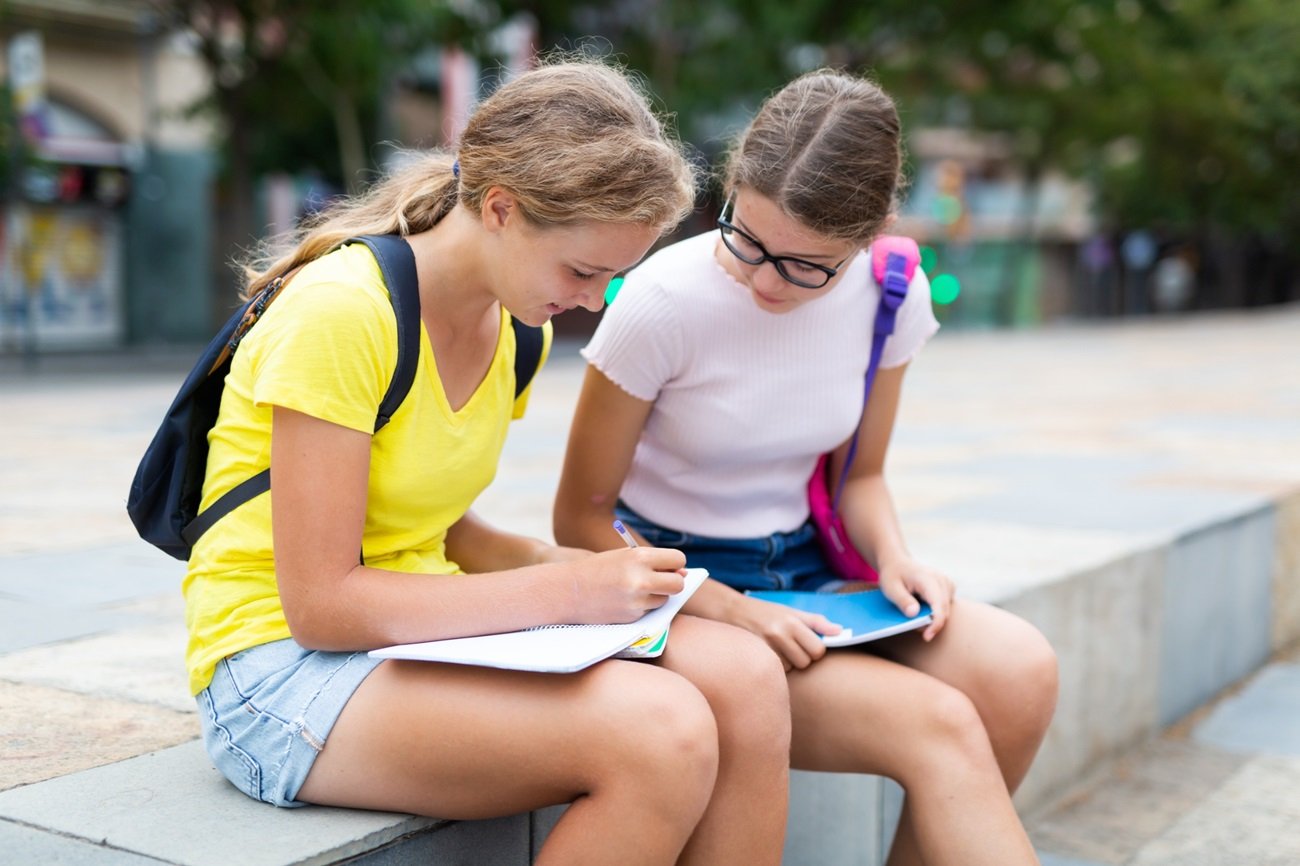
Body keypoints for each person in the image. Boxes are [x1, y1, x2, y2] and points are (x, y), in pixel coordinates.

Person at [185, 60, 792, 866]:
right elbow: (321, 607)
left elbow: (444, 529)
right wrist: (567, 592)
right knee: (663, 733)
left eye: (613, 278)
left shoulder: (515, 328)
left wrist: (612, 576)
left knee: (746, 677)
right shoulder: (342, 312)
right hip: (279, 673)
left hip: (410, 636)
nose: (593, 301)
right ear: (500, 208)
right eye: (582, 271)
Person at [553, 69, 1059, 866]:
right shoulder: (661, 301)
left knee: (1022, 670)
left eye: (804, 266)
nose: (763, 280)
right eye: (746, 238)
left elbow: (861, 478)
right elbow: (579, 520)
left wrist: (896, 559)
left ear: (870, 235)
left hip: (808, 571)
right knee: (942, 727)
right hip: (678, 585)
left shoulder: (891, 294)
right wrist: (727, 607)